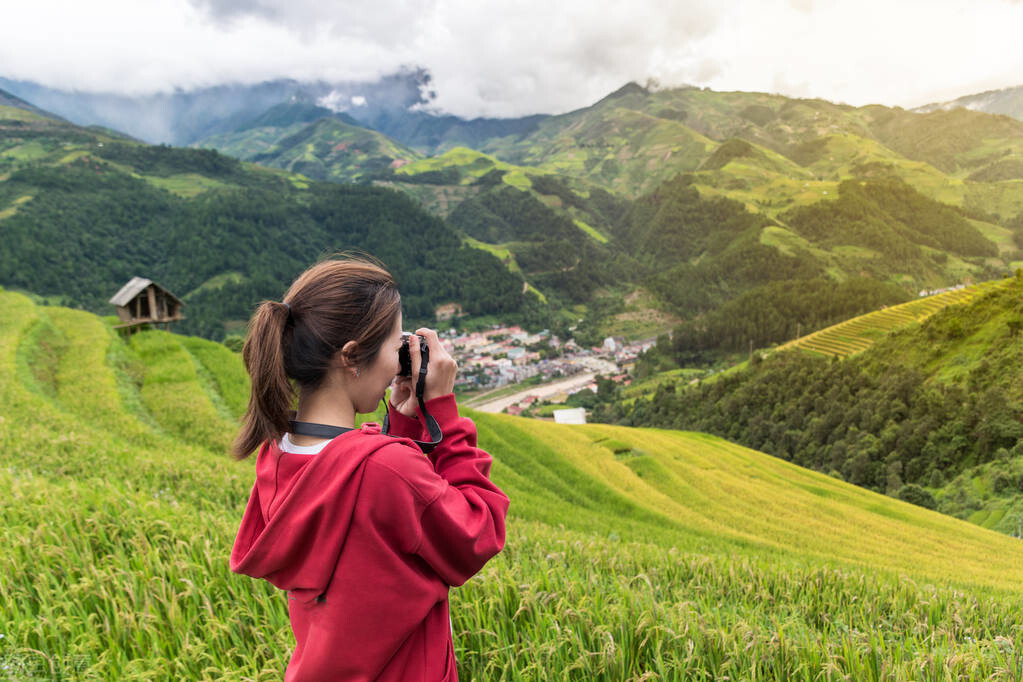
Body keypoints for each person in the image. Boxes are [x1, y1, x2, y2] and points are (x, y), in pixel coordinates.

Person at [229, 256, 509, 681]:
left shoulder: (279, 454)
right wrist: (443, 416)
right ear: (351, 357)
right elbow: (480, 529)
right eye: (395, 344)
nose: (398, 358)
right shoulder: (386, 469)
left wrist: (403, 423)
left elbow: (377, 527)